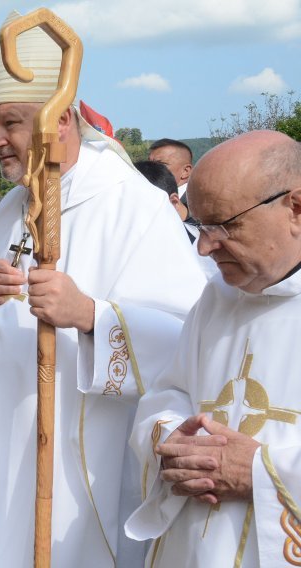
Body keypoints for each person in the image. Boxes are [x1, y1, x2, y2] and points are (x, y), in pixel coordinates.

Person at [0, 12, 207, 568]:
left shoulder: (128, 205)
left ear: (60, 119)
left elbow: (186, 336)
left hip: (68, 453)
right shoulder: (14, 206)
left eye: (12, 124)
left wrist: (90, 314)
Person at [125, 131, 301, 566]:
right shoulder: (217, 298)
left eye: (225, 225)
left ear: (295, 208)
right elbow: (170, 392)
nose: (204, 246)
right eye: (200, 226)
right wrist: (173, 440)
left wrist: (262, 472)